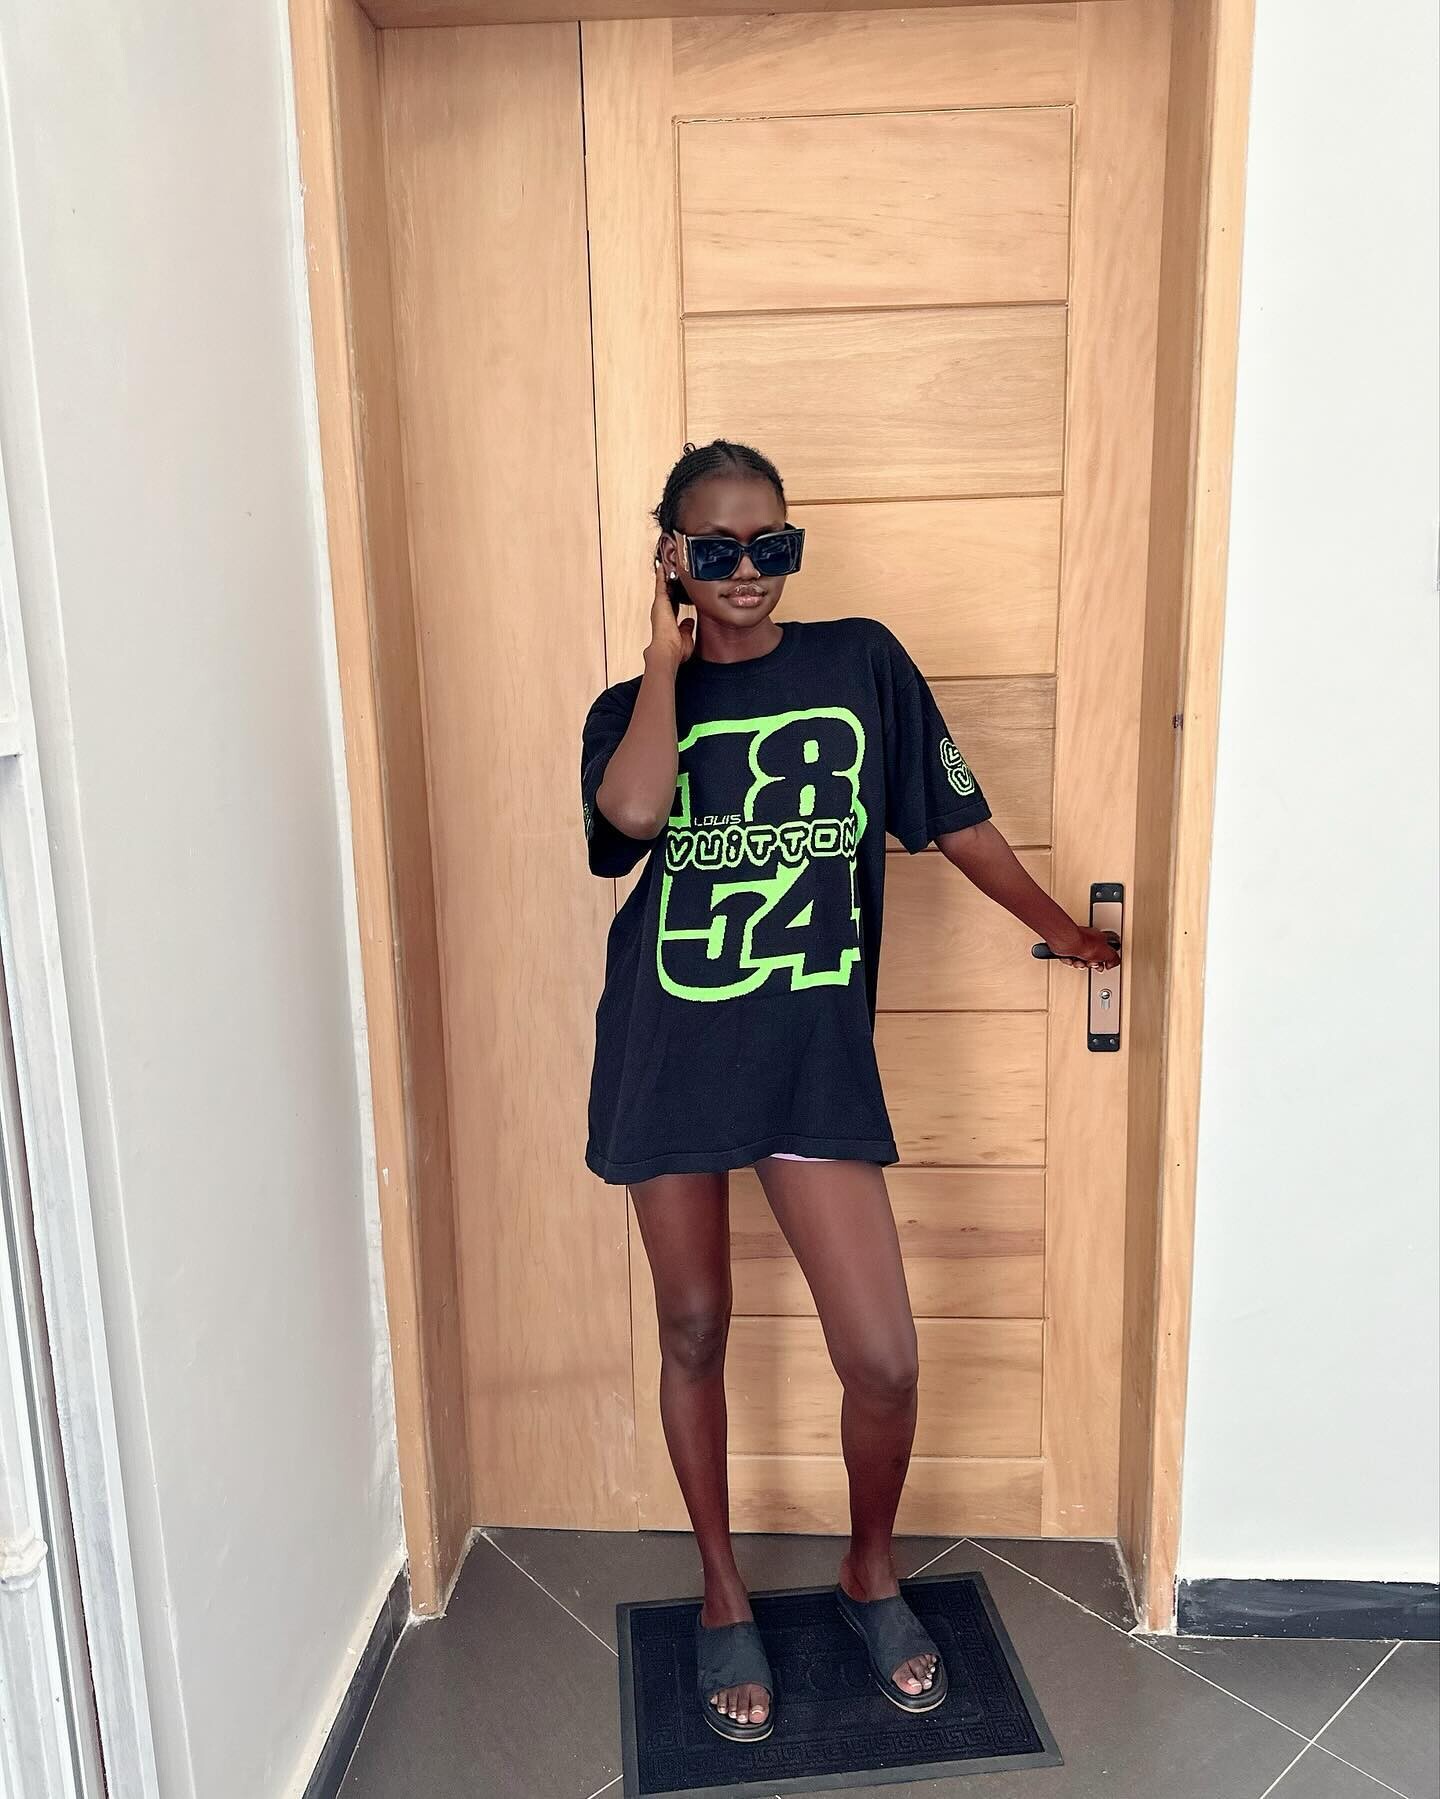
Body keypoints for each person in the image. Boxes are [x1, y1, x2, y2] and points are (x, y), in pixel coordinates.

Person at [579, 439, 1119, 1744]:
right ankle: (721, 1591)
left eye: (772, 544)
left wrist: (1064, 928)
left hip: (810, 1058)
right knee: (694, 1325)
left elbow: (955, 820)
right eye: (716, 550)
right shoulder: (630, 707)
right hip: (669, 1049)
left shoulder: (861, 663)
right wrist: (665, 664)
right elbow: (633, 821)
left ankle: (870, 1568)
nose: (748, 570)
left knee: (881, 1355)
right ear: (672, 556)